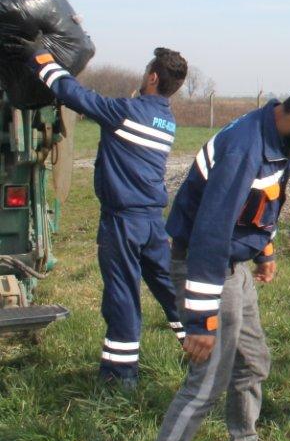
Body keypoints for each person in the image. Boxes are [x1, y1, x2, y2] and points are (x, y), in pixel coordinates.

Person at [136, 78, 290, 441]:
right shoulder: (244, 149)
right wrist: (201, 320)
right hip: (207, 266)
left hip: (234, 265)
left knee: (252, 361)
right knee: (206, 384)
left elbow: (262, 203)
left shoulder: (279, 141)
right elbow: (210, 233)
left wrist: (265, 249)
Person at [20, 35, 188, 390]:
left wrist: (41, 59)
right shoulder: (165, 120)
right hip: (152, 221)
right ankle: (198, 345)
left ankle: (119, 379)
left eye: (146, 71)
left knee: (122, 296)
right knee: (168, 286)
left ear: (154, 77)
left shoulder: (127, 113)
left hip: (123, 222)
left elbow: (74, 94)